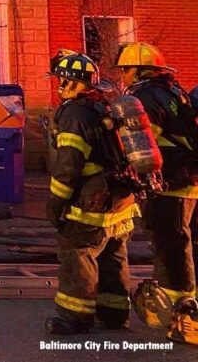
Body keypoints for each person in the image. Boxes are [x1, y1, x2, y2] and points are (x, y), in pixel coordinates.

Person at [45, 50, 137, 335]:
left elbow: (68, 165)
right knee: (113, 255)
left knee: (78, 252)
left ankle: (75, 317)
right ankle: (114, 314)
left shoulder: (74, 113)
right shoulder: (105, 106)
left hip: (92, 201)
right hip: (121, 197)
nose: (59, 84)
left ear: (71, 82)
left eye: (62, 78)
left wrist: (55, 203)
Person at [116, 42, 198, 341]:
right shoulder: (176, 91)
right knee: (187, 245)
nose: (122, 75)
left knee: (171, 247)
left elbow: (140, 144)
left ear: (138, 70)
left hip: (169, 183)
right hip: (190, 179)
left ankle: (184, 319)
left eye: (125, 69)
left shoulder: (141, 98)